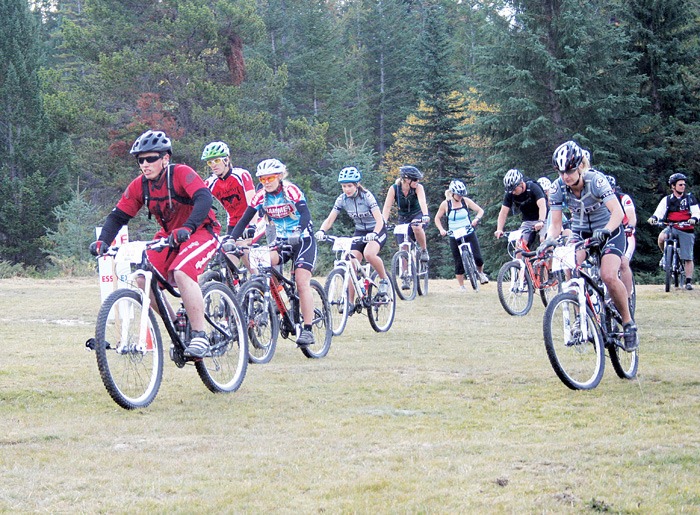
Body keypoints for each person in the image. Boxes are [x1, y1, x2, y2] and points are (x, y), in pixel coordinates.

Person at [90, 130, 220, 359]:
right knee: (142, 278)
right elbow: (118, 216)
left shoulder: (181, 173)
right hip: (170, 235)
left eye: (151, 158)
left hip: (201, 231)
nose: (145, 164)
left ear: (165, 159)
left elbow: (204, 198)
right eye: (141, 160)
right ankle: (177, 323)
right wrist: (103, 242)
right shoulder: (140, 185)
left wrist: (188, 227)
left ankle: (200, 335)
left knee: (182, 272)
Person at [545, 140, 637, 351]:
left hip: (609, 231)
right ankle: (580, 315)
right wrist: (550, 240)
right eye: (560, 172)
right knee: (570, 266)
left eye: (569, 170)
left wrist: (605, 231)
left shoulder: (596, 180)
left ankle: (628, 323)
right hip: (581, 233)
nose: (565, 176)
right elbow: (556, 224)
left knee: (608, 275)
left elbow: (618, 212)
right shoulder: (557, 187)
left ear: (579, 166)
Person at [228, 158, 318, 346]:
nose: (266, 182)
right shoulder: (260, 196)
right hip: (281, 240)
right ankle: (277, 302)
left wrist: (298, 232)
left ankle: (308, 329)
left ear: (279, 176)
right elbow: (244, 219)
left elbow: (305, 214)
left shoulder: (290, 190)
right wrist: (231, 239)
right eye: (262, 179)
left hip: (303, 240)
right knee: (261, 264)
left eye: (269, 178)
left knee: (301, 282)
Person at [315, 166, 390, 297]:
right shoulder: (342, 199)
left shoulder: (367, 197)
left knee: (369, 254)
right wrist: (321, 230)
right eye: (343, 186)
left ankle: (384, 280)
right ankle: (349, 302)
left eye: (349, 186)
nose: (346, 189)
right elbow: (330, 218)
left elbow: (380, 220)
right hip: (360, 231)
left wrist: (375, 234)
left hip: (377, 229)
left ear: (356, 185)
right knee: (351, 261)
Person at [648, 172, 700, 290]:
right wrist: (654, 218)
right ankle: (665, 255)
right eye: (680, 184)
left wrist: (694, 218)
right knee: (661, 237)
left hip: (686, 229)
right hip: (672, 227)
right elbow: (659, 212)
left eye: (684, 185)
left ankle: (688, 281)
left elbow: (696, 212)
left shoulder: (689, 198)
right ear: (673, 186)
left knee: (688, 256)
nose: (683, 186)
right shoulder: (667, 200)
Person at [434, 179, 488, 290]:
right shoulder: (446, 204)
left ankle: (481, 274)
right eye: (458, 194)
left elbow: (480, 210)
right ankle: (462, 286)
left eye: (462, 194)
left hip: (468, 231)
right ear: (453, 193)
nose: (460, 196)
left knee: (478, 257)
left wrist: (476, 219)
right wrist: (442, 230)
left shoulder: (465, 201)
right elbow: (437, 218)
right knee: (458, 260)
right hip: (454, 234)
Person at [201, 141, 256, 233]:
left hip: (251, 220)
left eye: (217, 160)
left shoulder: (241, 174)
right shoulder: (210, 182)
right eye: (210, 162)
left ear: (226, 160)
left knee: (245, 245)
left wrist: (252, 225)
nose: (213, 165)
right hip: (232, 223)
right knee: (227, 247)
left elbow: (253, 203)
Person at [381, 165, 430, 262]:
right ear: (407, 179)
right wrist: (383, 222)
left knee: (416, 226)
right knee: (403, 248)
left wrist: (425, 215)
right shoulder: (394, 188)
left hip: (417, 214)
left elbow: (422, 201)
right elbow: (387, 207)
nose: (418, 182)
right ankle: (405, 274)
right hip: (403, 218)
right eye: (415, 179)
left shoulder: (418, 188)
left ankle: (424, 250)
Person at [494, 169, 547, 250]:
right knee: (519, 245)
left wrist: (541, 221)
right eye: (510, 191)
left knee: (544, 241)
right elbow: (503, 213)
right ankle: (520, 262)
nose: (513, 192)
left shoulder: (533, 187)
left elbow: (542, 205)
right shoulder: (510, 194)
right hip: (528, 220)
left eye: (514, 189)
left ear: (521, 184)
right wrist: (499, 229)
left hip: (544, 217)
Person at [607, 175, 637, 299]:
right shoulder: (596, 200)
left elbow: (631, 216)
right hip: (607, 236)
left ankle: (627, 297)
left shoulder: (623, 198)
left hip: (624, 234)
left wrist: (630, 226)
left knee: (623, 263)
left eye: (611, 189)